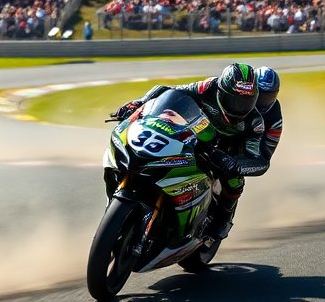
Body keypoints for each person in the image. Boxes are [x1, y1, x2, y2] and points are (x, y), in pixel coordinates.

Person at [112, 63, 270, 241]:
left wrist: (234, 164)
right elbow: (170, 91)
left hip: (224, 153)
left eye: (246, 101)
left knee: (235, 182)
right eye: (234, 100)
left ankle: (223, 220)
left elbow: (260, 161)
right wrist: (140, 102)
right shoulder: (208, 86)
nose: (239, 107)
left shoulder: (255, 123)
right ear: (221, 91)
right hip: (196, 136)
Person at [255, 66, 283, 163]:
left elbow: (267, 153)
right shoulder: (240, 103)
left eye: (269, 96)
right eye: (260, 95)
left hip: (253, 149)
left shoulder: (275, 112)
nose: (263, 101)